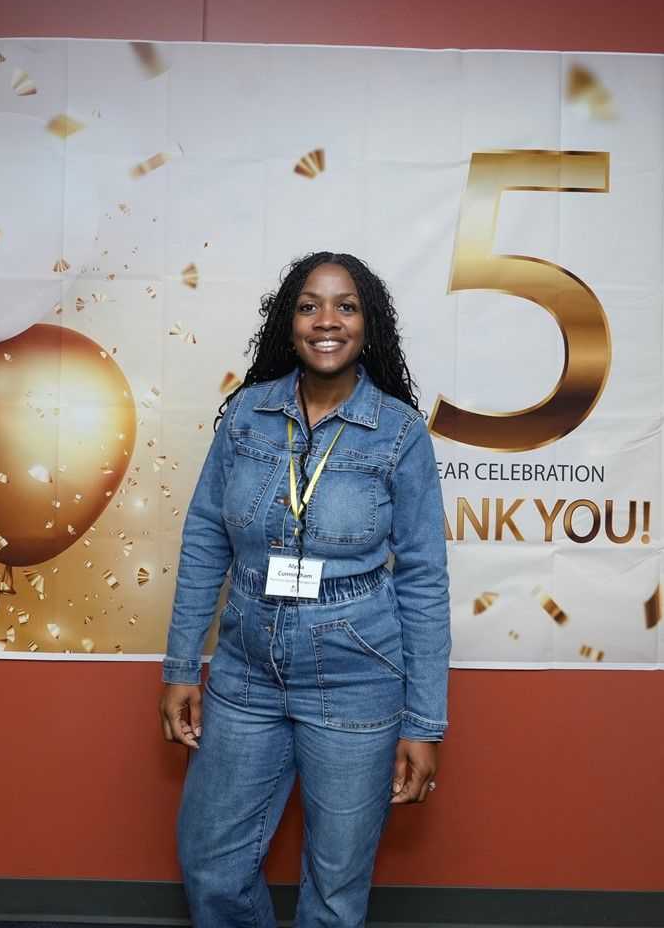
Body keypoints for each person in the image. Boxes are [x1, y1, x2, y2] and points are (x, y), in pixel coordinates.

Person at [159, 251, 451, 927]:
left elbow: (425, 582)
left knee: (335, 887)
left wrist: (424, 723)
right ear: (287, 324)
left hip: (357, 674)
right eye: (309, 306)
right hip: (245, 671)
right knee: (211, 861)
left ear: (368, 326)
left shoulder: (400, 433)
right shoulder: (246, 415)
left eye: (346, 306)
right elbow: (205, 540)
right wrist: (180, 666)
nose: (327, 321)